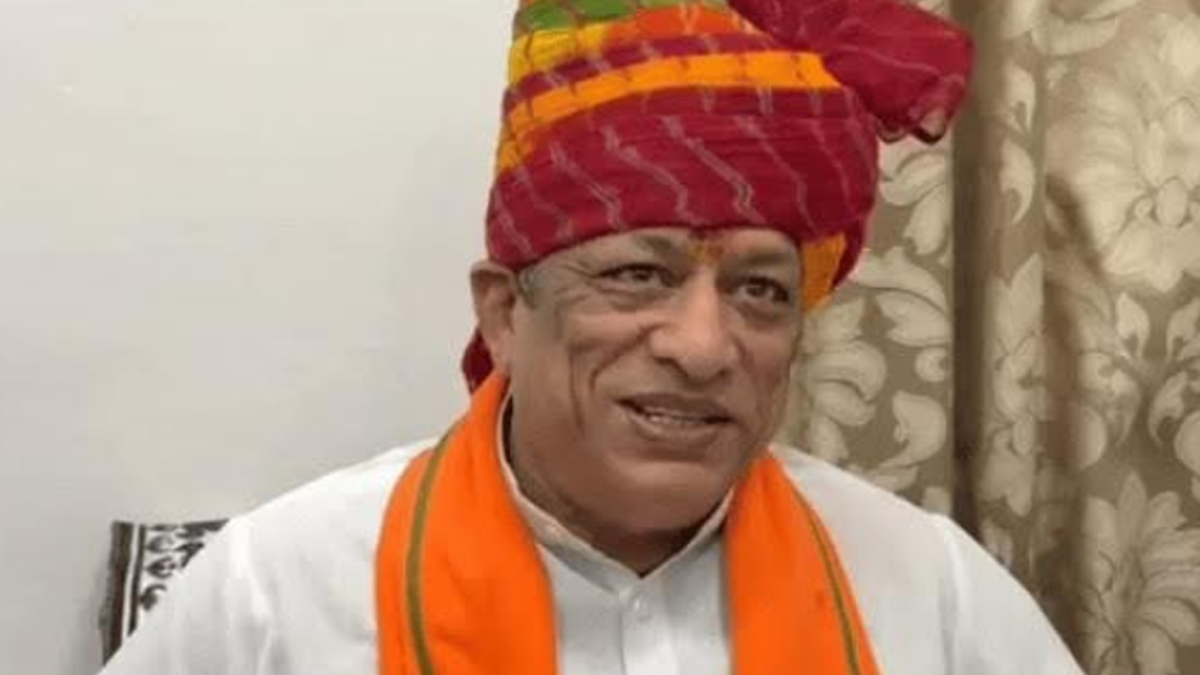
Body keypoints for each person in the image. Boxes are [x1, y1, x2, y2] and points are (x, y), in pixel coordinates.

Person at [99, 0, 1087, 673]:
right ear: (504, 313)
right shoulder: (277, 592)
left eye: (760, 291)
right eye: (636, 275)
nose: (702, 347)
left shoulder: (928, 588)